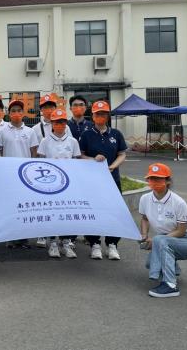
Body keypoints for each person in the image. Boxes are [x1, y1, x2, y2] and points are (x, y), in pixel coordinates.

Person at [139, 163, 187, 298]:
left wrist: (156, 241)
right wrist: (144, 235)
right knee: (150, 263)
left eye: (158, 179)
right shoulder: (145, 199)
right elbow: (145, 218)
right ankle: (172, 267)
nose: (154, 182)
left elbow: (181, 231)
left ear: (168, 181)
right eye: (151, 179)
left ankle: (171, 285)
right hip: (165, 239)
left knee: (160, 241)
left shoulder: (178, 202)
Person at [79, 100, 127, 260]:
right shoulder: (86, 135)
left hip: (112, 179)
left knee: (113, 211)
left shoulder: (116, 134)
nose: (101, 116)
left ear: (108, 116)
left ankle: (112, 244)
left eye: (104, 114)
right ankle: (94, 244)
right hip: (92, 182)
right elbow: (80, 155)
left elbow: (122, 154)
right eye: (98, 114)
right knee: (93, 211)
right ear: (92, 116)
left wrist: (113, 166)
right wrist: (93, 159)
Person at [37, 108, 81, 258]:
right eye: (56, 122)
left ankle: (66, 243)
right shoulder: (45, 141)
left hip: (68, 184)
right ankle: (53, 243)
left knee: (67, 213)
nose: (60, 125)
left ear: (66, 123)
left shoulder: (73, 141)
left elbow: (77, 161)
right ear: (52, 124)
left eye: (62, 122)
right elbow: (41, 162)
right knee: (51, 213)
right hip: (50, 184)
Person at [0, 99, 38, 249]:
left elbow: (34, 153)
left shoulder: (30, 132)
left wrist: (32, 173)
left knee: (25, 206)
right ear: (8, 113)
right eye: (13, 111)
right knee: (10, 207)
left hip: (26, 176)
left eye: (19, 110)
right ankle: (10, 236)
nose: (16, 113)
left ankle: (23, 237)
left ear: (23, 113)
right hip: (9, 175)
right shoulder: (2, 132)